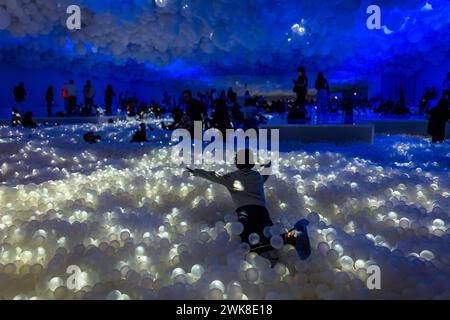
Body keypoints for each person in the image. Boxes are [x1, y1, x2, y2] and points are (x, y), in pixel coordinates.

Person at [186, 149, 311, 260]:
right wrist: (268, 165)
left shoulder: (232, 177)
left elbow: (214, 176)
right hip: (262, 211)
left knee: (248, 244)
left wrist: (197, 172)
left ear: (237, 163)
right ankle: (289, 240)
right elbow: (266, 173)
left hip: (245, 213)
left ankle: (291, 237)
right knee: (270, 236)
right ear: (251, 163)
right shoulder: (257, 176)